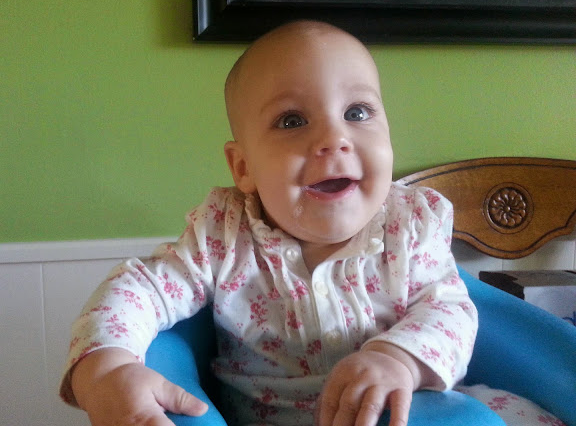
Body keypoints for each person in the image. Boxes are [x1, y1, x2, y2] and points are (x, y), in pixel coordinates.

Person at [59, 21, 561, 426]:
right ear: (243, 168)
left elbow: (450, 311)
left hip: (403, 411)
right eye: (292, 120)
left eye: (357, 111)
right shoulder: (223, 234)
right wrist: (104, 370)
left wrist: (399, 360)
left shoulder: (409, 224)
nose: (334, 139)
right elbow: (140, 289)